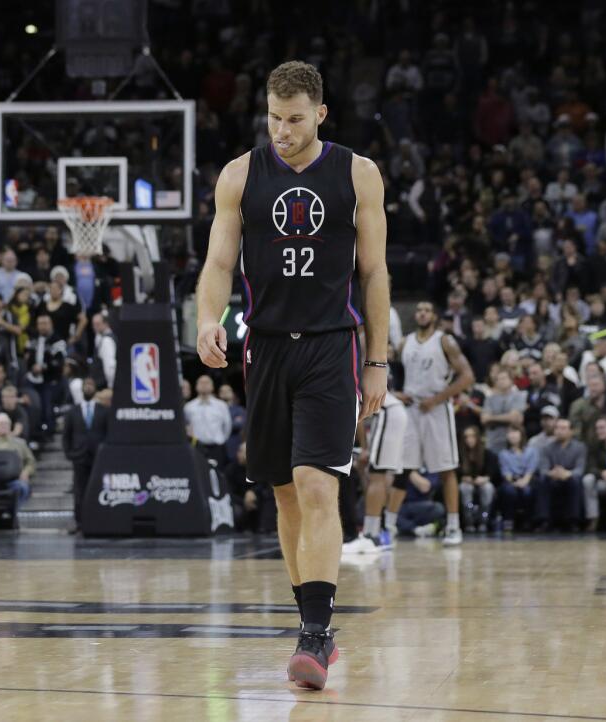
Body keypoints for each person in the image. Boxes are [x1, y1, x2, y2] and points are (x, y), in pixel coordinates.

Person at [195, 61, 388, 690]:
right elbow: (219, 260)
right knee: (281, 490)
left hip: (332, 345)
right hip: (267, 346)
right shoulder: (239, 175)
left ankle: (314, 634)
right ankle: (311, 620)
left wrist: (378, 362)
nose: (282, 131)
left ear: (321, 115)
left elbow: (375, 274)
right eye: (274, 119)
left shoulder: (358, 173)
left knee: (315, 485)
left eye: (296, 120)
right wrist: (206, 318)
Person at [397, 301, 475, 546]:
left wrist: (437, 398)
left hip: (437, 409)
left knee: (445, 468)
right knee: (402, 469)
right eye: (418, 310)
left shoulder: (444, 341)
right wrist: (397, 393)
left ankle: (453, 526)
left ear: (435, 315)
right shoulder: (404, 342)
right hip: (411, 409)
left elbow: (468, 377)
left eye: (427, 310)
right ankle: (387, 525)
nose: (421, 313)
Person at [359, 389, 408, 549]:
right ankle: (380, 529)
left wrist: (365, 447)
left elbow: (357, 418)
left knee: (377, 474)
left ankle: (370, 534)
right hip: (395, 411)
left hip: (387, 413)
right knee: (383, 475)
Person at [62, 376, 107, 527]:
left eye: (91, 384)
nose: (88, 387)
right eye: (86, 385)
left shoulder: (104, 411)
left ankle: (97, 520)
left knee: (97, 489)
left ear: (95, 388)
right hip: (79, 456)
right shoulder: (73, 412)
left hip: (98, 457)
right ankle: (79, 521)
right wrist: (69, 453)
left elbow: (108, 433)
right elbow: (66, 435)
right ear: (81, 389)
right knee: (79, 490)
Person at [535, 418, 586, 532]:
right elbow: (543, 469)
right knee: (542, 480)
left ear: (571, 431)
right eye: (557, 428)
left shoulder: (579, 447)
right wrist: (553, 473)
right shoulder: (547, 448)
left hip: (569, 478)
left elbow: (580, 469)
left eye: (563, 428)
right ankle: (544, 520)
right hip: (552, 478)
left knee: (576, 480)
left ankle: (573, 521)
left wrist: (567, 473)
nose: (559, 431)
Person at [184, 375, 233, 467]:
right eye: (201, 383)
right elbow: (186, 426)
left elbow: (227, 426)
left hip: (217, 447)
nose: (204, 385)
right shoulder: (189, 407)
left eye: (207, 383)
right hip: (197, 447)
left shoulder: (221, 405)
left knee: (218, 474)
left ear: (212, 387)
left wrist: (221, 439)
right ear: (196, 386)